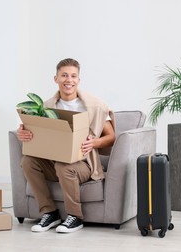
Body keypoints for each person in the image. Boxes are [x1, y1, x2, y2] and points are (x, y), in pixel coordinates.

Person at [17, 58, 115, 233]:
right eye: (64, 75)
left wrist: (94, 142)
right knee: (28, 161)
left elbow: (111, 137)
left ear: (78, 80)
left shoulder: (94, 106)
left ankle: (75, 218)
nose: (68, 80)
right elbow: (36, 133)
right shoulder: (46, 107)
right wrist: (23, 132)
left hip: (84, 164)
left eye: (73, 76)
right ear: (56, 79)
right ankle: (49, 213)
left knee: (65, 166)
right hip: (53, 162)